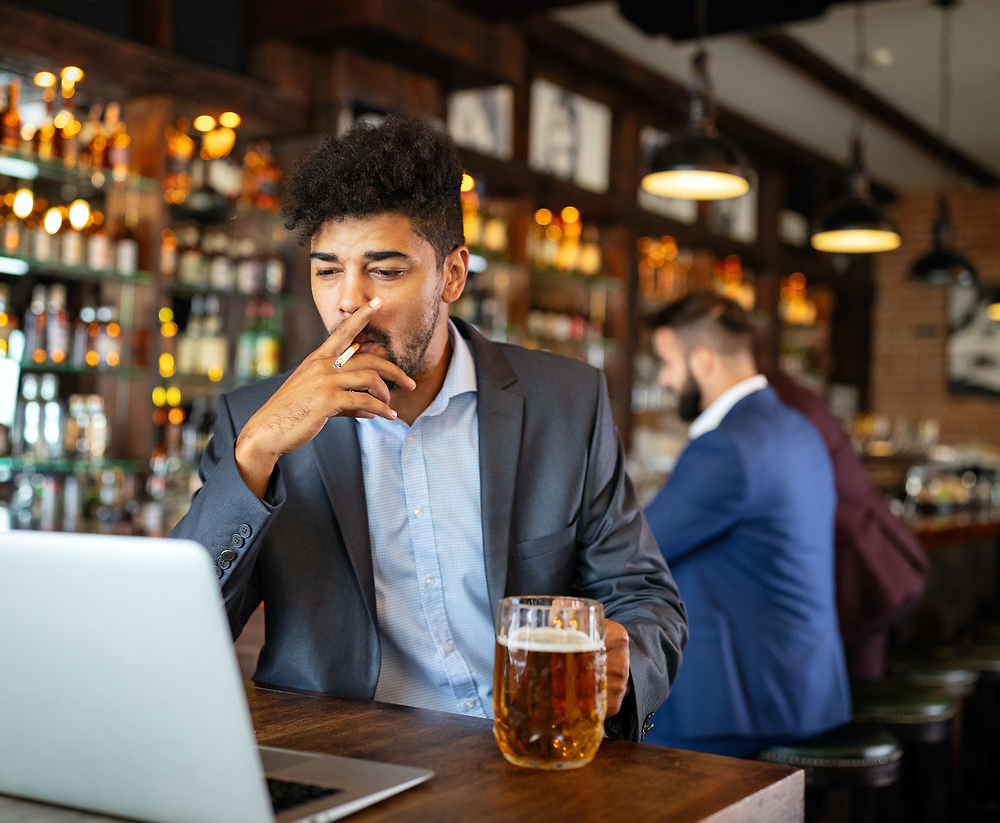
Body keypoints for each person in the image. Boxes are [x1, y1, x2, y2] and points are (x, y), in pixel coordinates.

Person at [169, 114, 687, 741]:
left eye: (385, 271)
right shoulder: (257, 424)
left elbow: (646, 599)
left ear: (452, 275)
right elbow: (179, 632)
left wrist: (624, 654)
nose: (348, 301)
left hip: (526, 754)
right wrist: (253, 454)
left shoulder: (566, 403)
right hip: (341, 754)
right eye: (327, 270)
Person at [639, 292, 850, 757]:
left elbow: (638, 547)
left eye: (666, 362)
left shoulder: (729, 447)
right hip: (801, 682)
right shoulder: (794, 425)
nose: (663, 379)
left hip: (745, 701)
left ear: (703, 360)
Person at [765, 369, 929, 679]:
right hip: (868, 551)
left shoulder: (782, 404)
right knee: (853, 674)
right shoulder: (791, 396)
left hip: (861, 557)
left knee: (849, 680)